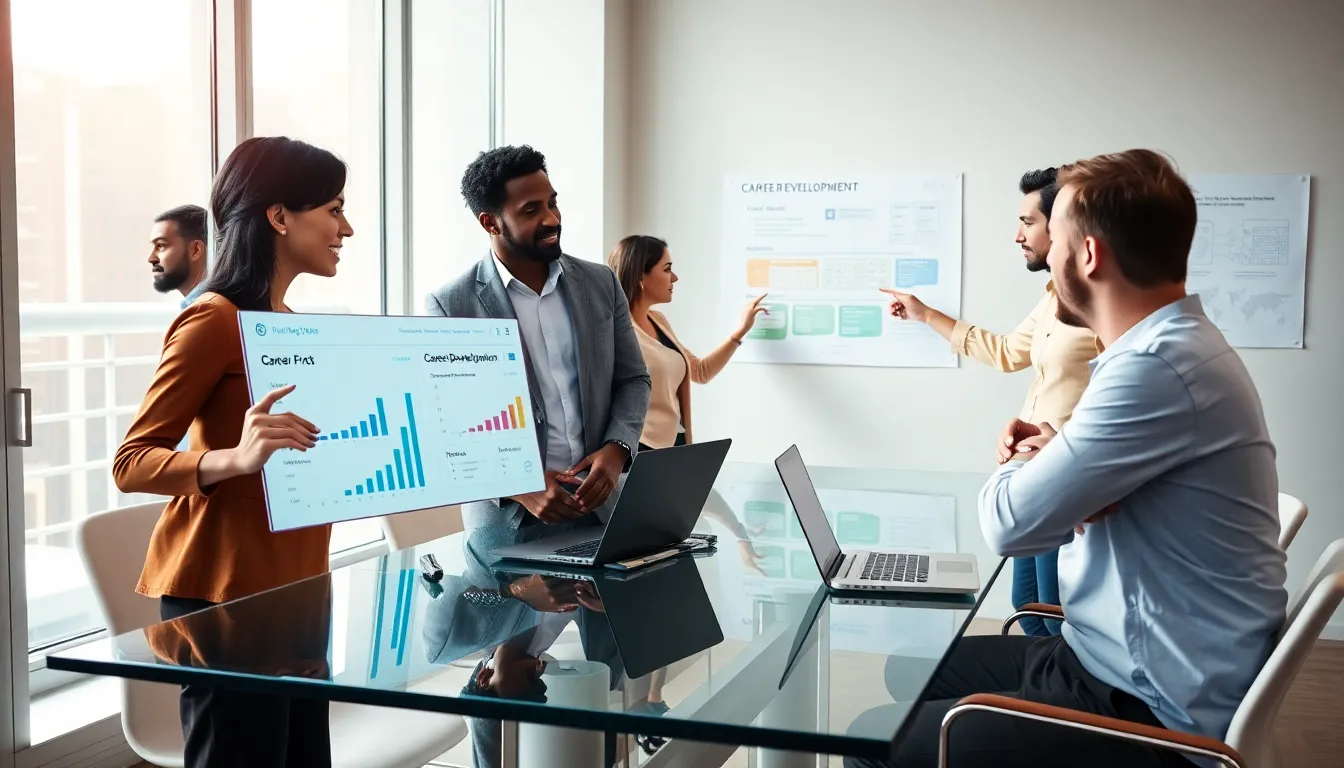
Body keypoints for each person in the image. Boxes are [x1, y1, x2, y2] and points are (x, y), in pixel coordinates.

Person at [848, 149, 1287, 768]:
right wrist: (1061, 451)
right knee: (911, 672)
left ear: (1088, 255)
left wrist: (1025, 463)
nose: (1046, 256)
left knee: (872, 739)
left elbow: (1009, 525)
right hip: (1112, 654)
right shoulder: (1174, 346)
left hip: (1143, 703)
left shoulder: (1153, 368)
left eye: (1053, 238)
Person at [113, 136, 354, 768]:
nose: (347, 228)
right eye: (334, 209)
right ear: (279, 217)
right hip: (225, 598)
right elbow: (131, 462)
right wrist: (235, 458)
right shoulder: (213, 319)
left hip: (298, 587)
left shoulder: (288, 323)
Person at [881, 168, 1099, 637]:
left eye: (1028, 222)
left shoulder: (1099, 307)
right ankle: (1032, 682)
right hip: (1029, 477)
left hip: (1064, 482)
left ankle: (1049, 686)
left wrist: (1064, 448)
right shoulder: (1053, 299)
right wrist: (926, 315)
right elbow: (1006, 352)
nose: (1018, 235)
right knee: (1027, 604)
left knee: (1052, 613)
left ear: (1063, 226)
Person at [425, 145, 651, 531]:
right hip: (508, 525)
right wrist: (520, 485)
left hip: (602, 509)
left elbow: (633, 379)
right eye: (531, 210)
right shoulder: (451, 305)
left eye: (552, 203)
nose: (552, 219)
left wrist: (618, 449)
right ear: (490, 223)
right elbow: (447, 424)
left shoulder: (600, 283)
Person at [605, 234, 768, 577]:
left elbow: (700, 371)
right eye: (667, 269)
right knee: (650, 566)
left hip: (675, 450)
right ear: (640, 275)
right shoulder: (618, 331)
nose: (675, 277)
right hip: (640, 458)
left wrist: (739, 332)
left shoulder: (659, 322)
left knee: (669, 561)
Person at [149, 204, 210, 308]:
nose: (151, 259)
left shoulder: (208, 310)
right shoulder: (197, 307)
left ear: (196, 250)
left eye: (161, 245)